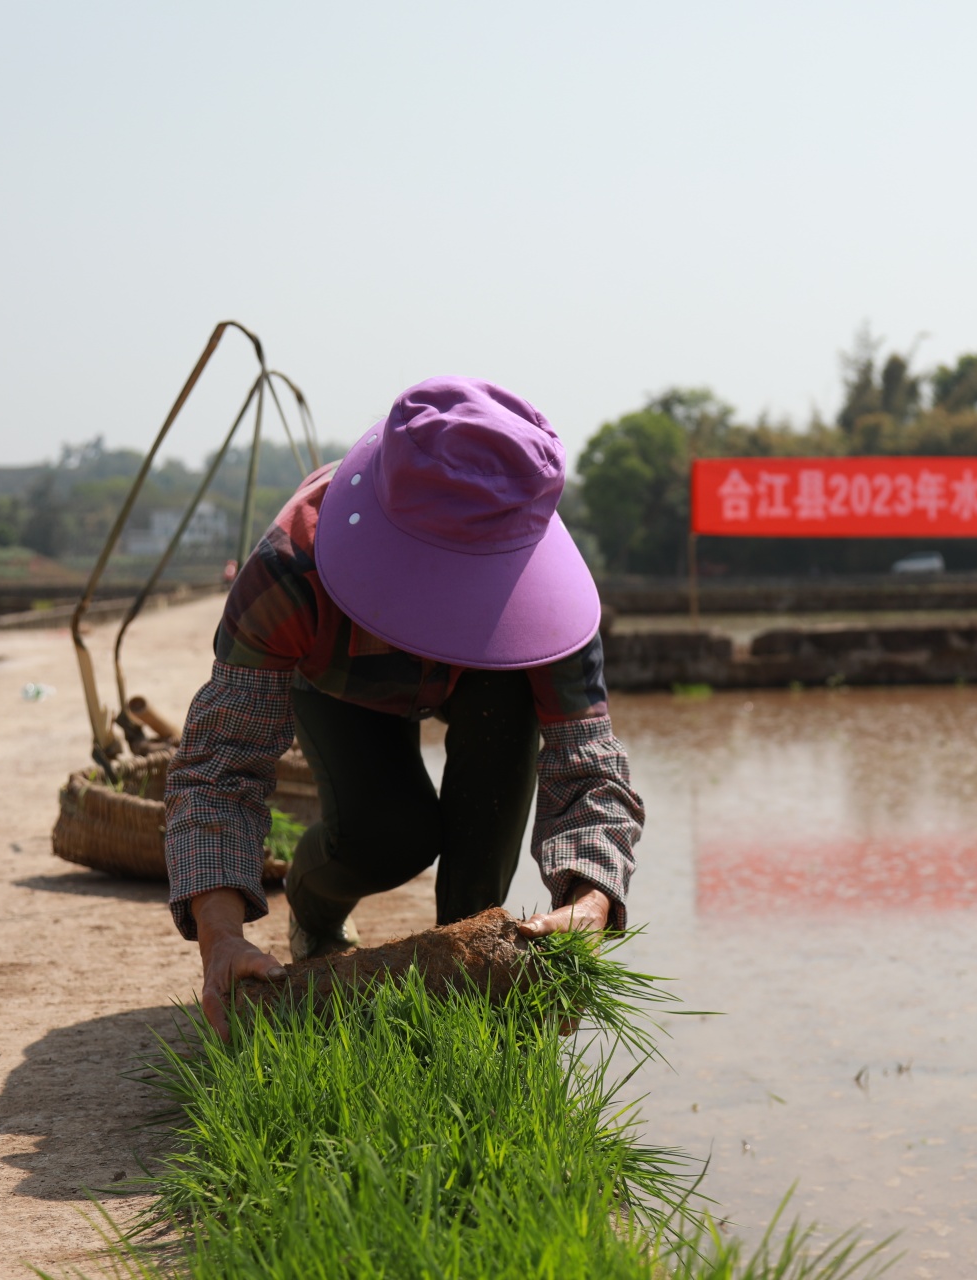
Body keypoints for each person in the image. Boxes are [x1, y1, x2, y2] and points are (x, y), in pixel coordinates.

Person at [162, 377, 644, 1032]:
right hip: (341, 683)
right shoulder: (290, 571)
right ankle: (316, 914)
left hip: (482, 688)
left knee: (480, 871)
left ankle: (468, 985)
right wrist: (219, 937)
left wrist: (590, 902)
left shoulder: (548, 605)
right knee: (388, 836)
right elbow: (222, 768)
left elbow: (587, 769)